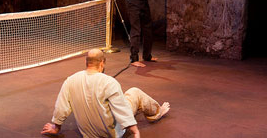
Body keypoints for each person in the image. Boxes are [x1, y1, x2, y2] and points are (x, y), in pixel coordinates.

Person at [41, 48, 170, 138]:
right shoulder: (109, 82)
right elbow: (122, 109)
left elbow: (61, 107)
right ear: (102, 63)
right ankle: (157, 112)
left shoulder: (70, 80)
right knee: (134, 92)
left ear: (86, 63)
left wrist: (56, 127)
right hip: (112, 134)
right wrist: (135, 132)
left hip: (89, 134)